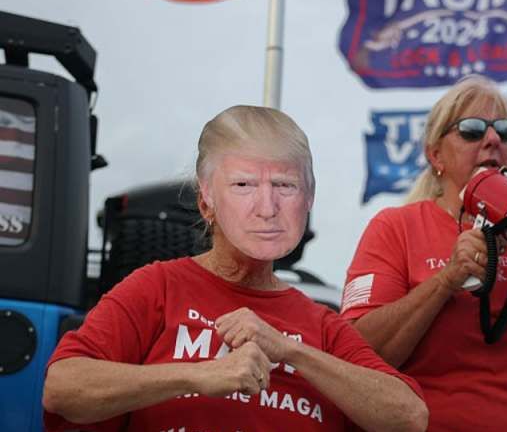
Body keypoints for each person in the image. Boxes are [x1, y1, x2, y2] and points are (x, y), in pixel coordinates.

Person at [41, 105, 427, 432]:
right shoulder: (158, 286)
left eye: (285, 186)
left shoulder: (322, 325)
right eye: (243, 185)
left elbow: (410, 415)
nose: (267, 207)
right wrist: (198, 375)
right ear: (206, 203)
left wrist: (292, 351)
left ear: (308, 200)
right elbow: (63, 387)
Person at [341, 75, 507, 432]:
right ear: (435, 155)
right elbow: (356, 355)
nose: (492, 139)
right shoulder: (397, 227)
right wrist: (446, 281)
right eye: (470, 130)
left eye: (505, 130)